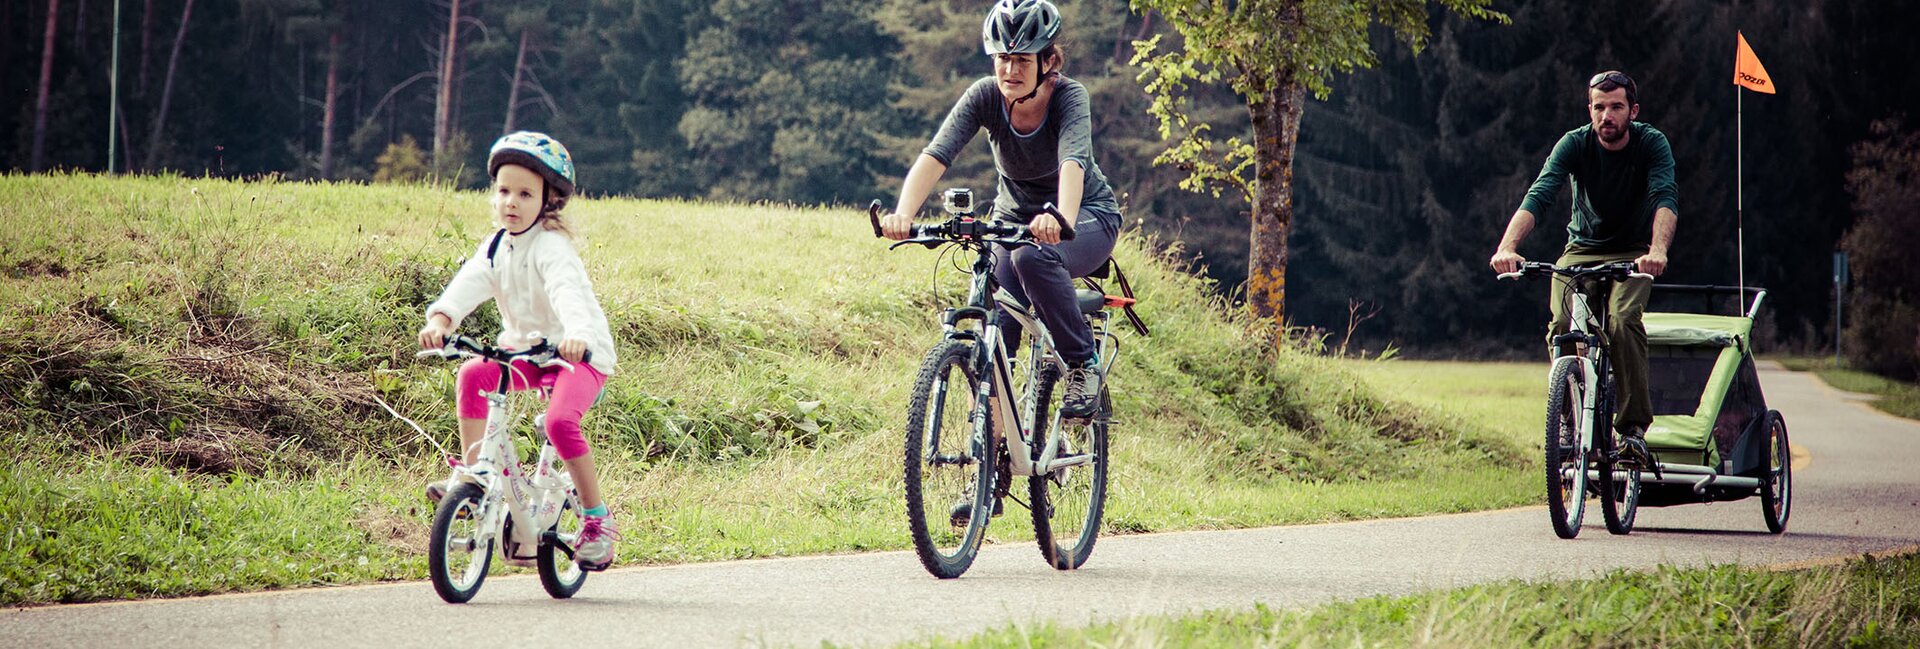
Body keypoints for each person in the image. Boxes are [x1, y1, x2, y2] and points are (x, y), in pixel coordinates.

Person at [879, 0, 1121, 421]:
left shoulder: (1069, 97)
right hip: (1013, 221)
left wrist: (1060, 219)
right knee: (995, 346)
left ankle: (1084, 364)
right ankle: (989, 463)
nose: (1010, 70)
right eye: (1002, 59)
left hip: (1086, 217)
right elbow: (937, 155)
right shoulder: (985, 97)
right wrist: (903, 213)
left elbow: (1072, 164)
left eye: (1022, 60)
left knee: (1033, 256)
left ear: (1047, 61)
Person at [417, 131, 623, 571]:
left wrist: (578, 335)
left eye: (525, 193)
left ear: (547, 201)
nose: (511, 201)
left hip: (578, 356)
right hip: (527, 352)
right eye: (503, 190)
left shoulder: (552, 247)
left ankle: (596, 520)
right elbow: (468, 284)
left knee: (559, 422)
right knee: (473, 374)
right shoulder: (495, 246)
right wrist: (442, 319)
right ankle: (476, 475)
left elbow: (568, 293)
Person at [1489, 70, 1679, 463]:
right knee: (1561, 326)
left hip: (1633, 252)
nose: (1606, 115)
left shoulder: (1651, 144)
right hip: (1580, 251)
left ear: (1633, 110)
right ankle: (1566, 418)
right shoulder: (1574, 144)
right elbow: (1539, 195)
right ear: (1589, 109)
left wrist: (1657, 250)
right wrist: (1508, 246)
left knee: (1622, 320)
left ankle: (1632, 430)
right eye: (1598, 107)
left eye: (1616, 107)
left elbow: (1665, 197)